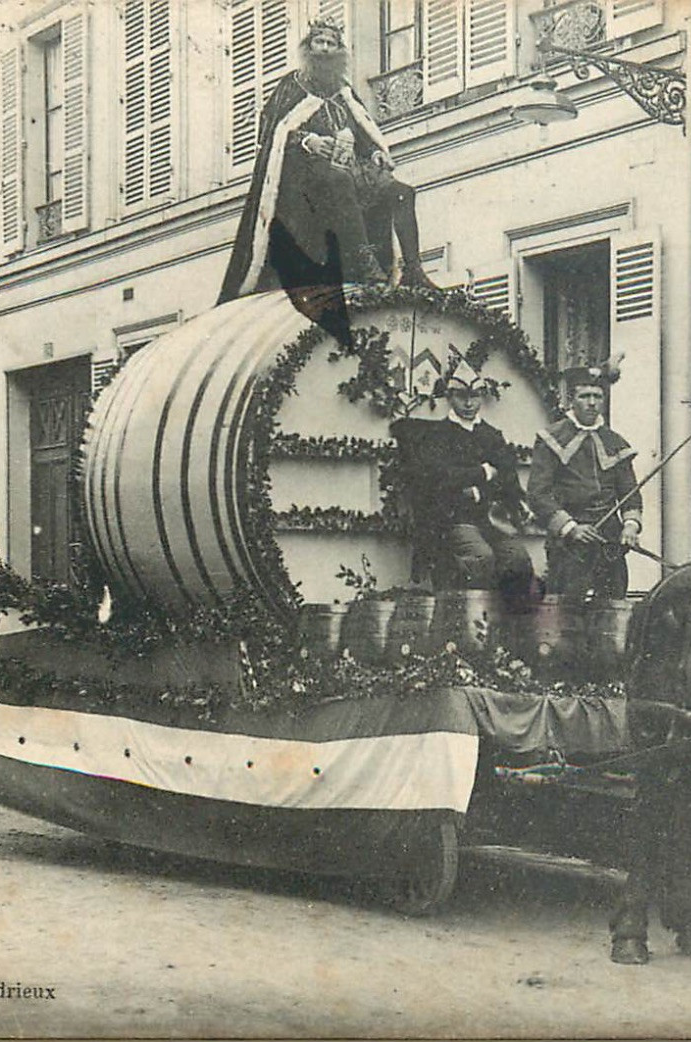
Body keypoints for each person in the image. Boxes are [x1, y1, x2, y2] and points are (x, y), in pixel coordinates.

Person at [217, 17, 436, 342]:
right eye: (319, 43)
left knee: (402, 191)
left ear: (338, 50)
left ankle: (414, 269)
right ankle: (364, 262)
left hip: (347, 171)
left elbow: (364, 134)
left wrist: (375, 153)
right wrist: (308, 141)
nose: (324, 49)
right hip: (302, 184)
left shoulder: (345, 92)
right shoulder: (291, 86)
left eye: (330, 44)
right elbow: (273, 137)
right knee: (337, 181)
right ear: (308, 47)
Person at [389, 356, 534, 608]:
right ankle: (472, 618)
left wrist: (516, 501)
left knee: (517, 558)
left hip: (493, 520)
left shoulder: (491, 435)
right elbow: (438, 478)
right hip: (453, 518)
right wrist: (483, 472)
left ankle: (506, 623)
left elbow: (508, 478)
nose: (468, 403)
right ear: (449, 397)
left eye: (475, 396)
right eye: (461, 396)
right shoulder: (435, 436)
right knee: (480, 557)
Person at [527, 363, 643, 601]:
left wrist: (630, 526)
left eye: (597, 397)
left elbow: (630, 494)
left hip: (610, 543)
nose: (592, 403)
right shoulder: (551, 439)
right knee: (567, 613)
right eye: (585, 396)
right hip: (569, 545)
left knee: (611, 610)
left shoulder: (616, 442)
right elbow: (538, 494)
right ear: (571, 401)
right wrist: (571, 528)